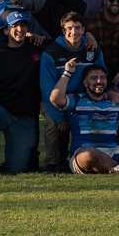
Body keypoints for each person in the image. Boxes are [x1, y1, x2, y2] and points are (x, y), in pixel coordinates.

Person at [0, 12, 45, 174]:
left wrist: (87, 35)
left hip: (25, 117)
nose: (19, 29)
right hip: (2, 111)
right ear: (6, 30)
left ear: (27, 28)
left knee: (17, 169)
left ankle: (10, 161)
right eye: (14, 26)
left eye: (23, 25)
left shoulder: (37, 47)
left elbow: (63, 44)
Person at [38, 10, 103, 173]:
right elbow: (47, 89)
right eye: (69, 28)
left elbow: (102, 74)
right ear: (63, 30)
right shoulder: (51, 52)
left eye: (78, 28)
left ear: (83, 29)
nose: (74, 32)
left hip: (82, 99)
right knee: (53, 124)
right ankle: (52, 163)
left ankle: (92, 158)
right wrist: (59, 116)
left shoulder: (92, 48)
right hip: (55, 99)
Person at [50, 61, 119, 174]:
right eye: (94, 78)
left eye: (102, 77)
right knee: (89, 153)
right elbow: (56, 99)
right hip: (85, 152)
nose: (99, 81)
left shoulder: (114, 101)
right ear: (85, 83)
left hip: (112, 151)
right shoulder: (77, 100)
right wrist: (67, 73)